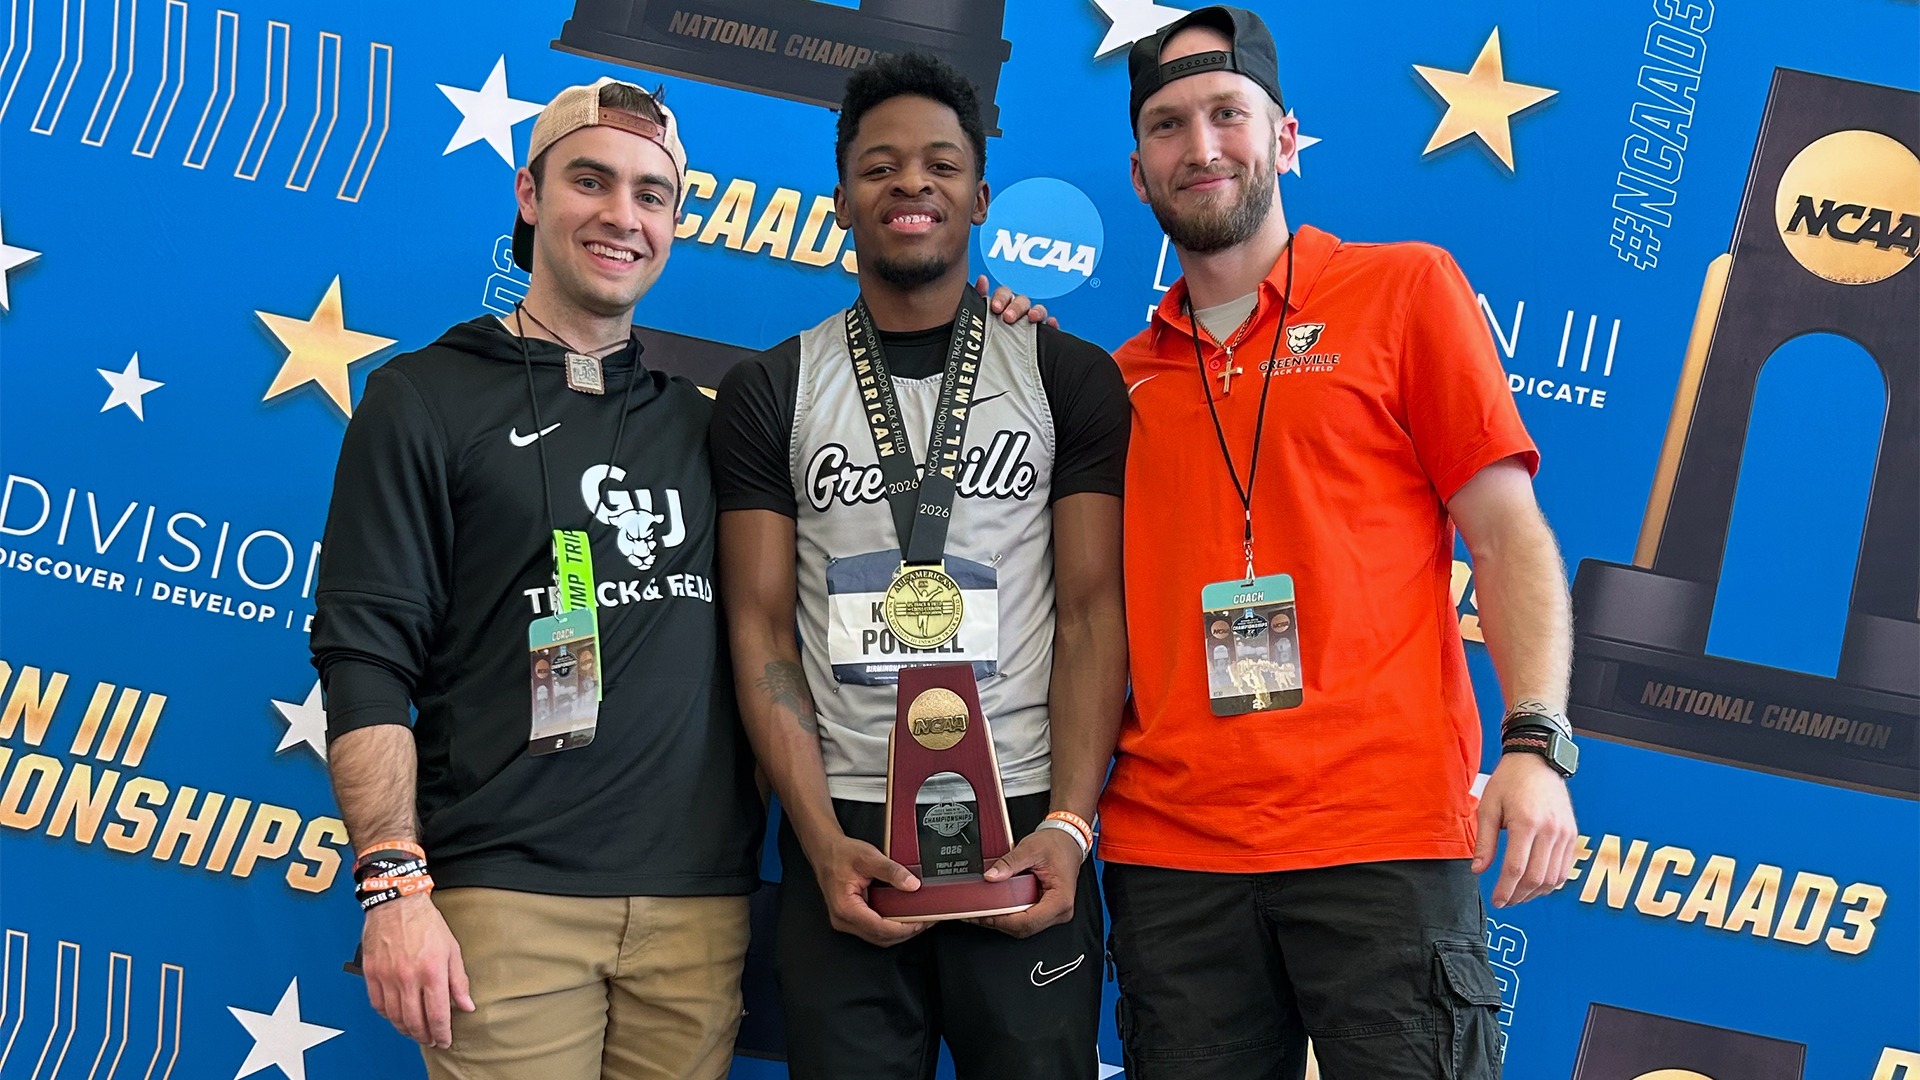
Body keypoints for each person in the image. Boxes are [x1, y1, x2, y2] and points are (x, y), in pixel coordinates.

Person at [1099, 8, 1582, 1080]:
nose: (1201, 146)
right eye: (1168, 126)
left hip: (1382, 836)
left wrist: (1537, 743)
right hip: (1173, 859)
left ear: (1284, 138)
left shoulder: (1405, 290)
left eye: (1228, 114)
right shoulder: (1116, 381)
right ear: (1139, 175)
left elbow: (1508, 537)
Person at [311, 78, 766, 1080]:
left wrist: (996, 327)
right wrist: (392, 885)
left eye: (652, 194)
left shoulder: (706, 427)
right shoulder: (422, 397)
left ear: (675, 223)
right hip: (507, 905)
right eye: (590, 181)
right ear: (529, 193)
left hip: (698, 913)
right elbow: (365, 657)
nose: (622, 216)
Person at [711, 51, 1130, 1080]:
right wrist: (816, 840)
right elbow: (761, 630)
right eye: (880, 165)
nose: (912, 183)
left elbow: (1090, 611)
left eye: (942, 164)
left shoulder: (1066, 376)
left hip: (1023, 819)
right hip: (845, 830)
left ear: (980, 197)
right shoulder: (772, 389)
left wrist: (1070, 827)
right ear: (841, 198)